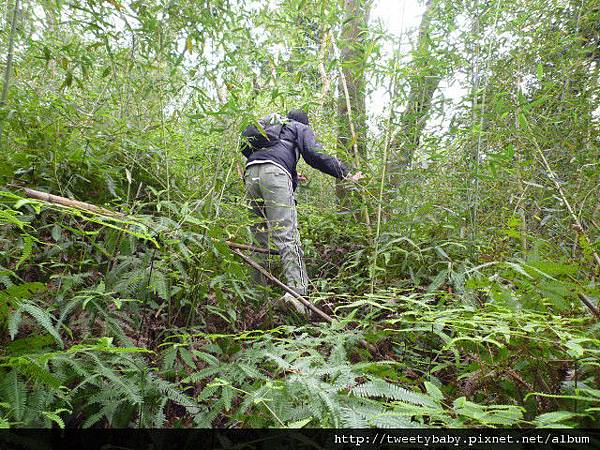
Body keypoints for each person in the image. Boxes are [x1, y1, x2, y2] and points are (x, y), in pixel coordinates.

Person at [241, 109, 363, 316]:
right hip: (275, 174)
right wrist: (345, 173)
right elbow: (315, 154)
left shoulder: (273, 128)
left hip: (251, 173)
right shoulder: (299, 127)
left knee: (258, 238)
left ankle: (256, 295)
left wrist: (292, 174)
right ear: (304, 123)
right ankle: (298, 296)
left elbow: (262, 153)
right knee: (287, 235)